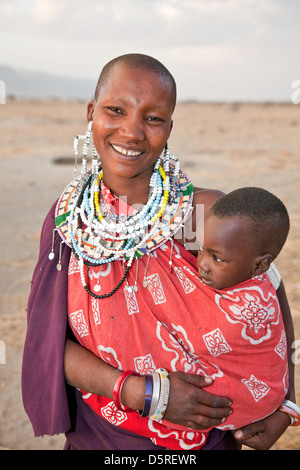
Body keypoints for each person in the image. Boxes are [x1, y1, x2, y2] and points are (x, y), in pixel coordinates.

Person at [22, 53, 297, 451]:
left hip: (206, 439)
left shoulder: (201, 213)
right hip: (103, 436)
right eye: (115, 110)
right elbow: (46, 342)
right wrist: (141, 393)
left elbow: (268, 300)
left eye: (153, 118)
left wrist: (284, 403)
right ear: (91, 113)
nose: (132, 132)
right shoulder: (70, 222)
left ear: (169, 127)